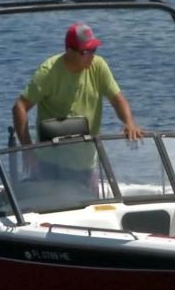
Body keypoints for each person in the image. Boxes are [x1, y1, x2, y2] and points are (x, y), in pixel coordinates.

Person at [12, 22, 143, 180]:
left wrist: (129, 122)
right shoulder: (48, 72)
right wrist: (28, 149)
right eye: (85, 52)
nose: (91, 56)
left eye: (93, 50)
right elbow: (19, 106)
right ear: (69, 51)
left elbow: (117, 98)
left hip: (85, 165)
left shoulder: (98, 66)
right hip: (50, 165)